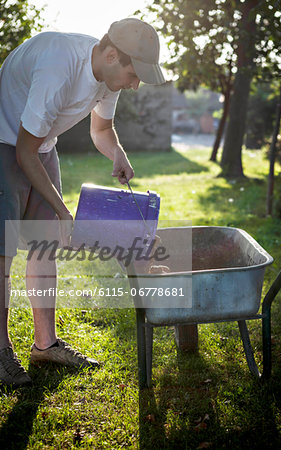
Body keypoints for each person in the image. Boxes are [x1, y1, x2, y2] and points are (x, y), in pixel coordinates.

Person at [0, 18, 165, 386]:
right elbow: (24, 153)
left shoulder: (109, 73)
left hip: (39, 144)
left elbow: (101, 129)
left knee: (45, 247)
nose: (135, 84)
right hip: (5, 140)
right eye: (134, 74)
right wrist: (62, 209)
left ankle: (45, 344)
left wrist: (117, 153)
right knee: (3, 250)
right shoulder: (59, 67)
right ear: (110, 55)